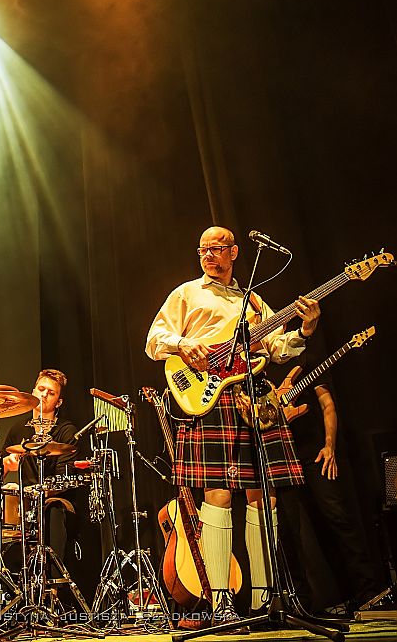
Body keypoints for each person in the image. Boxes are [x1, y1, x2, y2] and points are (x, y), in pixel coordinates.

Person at [145, 225, 321, 631]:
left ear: (234, 252)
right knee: (218, 493)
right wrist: (182, 344)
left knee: (264, 496)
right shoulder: (187, 294)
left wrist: (304, 331)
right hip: (210, 396)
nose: (209, 255)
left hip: (253, 396)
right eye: (203, 249)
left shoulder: (254, 301)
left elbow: (278, 349)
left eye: (217, 248)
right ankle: (221, 600)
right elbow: (154, 340)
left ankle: (263, 599)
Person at [268, 347, 381, 615]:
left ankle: (368, 592)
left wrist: (329, 445)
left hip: (313, 452)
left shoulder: (306, 359)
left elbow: (327, 405)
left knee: (337, 517)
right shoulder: (259, 366)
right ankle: (301, 603)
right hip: (279, 455)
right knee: (287, 531)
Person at [0, 368, 79, 563]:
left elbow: (62, 481)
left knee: (53, 510)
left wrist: (30, 491)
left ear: (59, 402)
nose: (44, 395)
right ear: (33, 392)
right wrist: (6, 464)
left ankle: (54, 576)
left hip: (55, 501)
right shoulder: (19, 429)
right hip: (25, 502)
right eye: (41, 389)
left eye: (51, 393)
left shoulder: (66, 431)